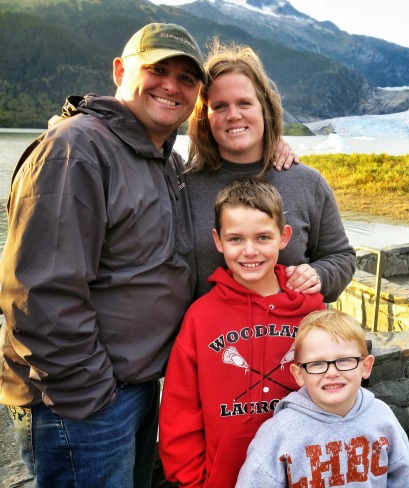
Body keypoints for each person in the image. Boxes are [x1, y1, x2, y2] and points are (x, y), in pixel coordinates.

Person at [0, 22, 215, 488]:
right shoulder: (75, 150)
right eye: (158, 69)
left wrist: (275, 145)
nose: (171, 86)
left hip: (131, 386)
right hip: (83, 399)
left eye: (186, 78)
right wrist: (94, 397)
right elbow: (40, 295)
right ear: (120, 70)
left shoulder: (162, 158)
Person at [158, 176, 325, 487]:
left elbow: (336, 389)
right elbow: (179, 410)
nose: (250, 251)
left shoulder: (311, 311)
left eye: (263, 237)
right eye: (235, 239)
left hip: (303, 473)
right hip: (224, 478)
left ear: (284, 237)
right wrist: (194, 481)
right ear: (218, 241)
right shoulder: (201, 316)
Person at [185, 40, 356, 303]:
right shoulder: (184, 186)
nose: (233, 115)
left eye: (244, 103)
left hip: (291, 341)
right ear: (204, 117)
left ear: (264, 108)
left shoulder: (307, 183)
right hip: (212, 341)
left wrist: (318, 276)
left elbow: (341, 257)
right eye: (219, 106)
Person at [235, 308, 409, 487]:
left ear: (366, 367)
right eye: (317, 363)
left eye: (344, 360)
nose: (332, 372)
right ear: (299, 374)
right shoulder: (279, 432)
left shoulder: (383, 418)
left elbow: (402, 478)